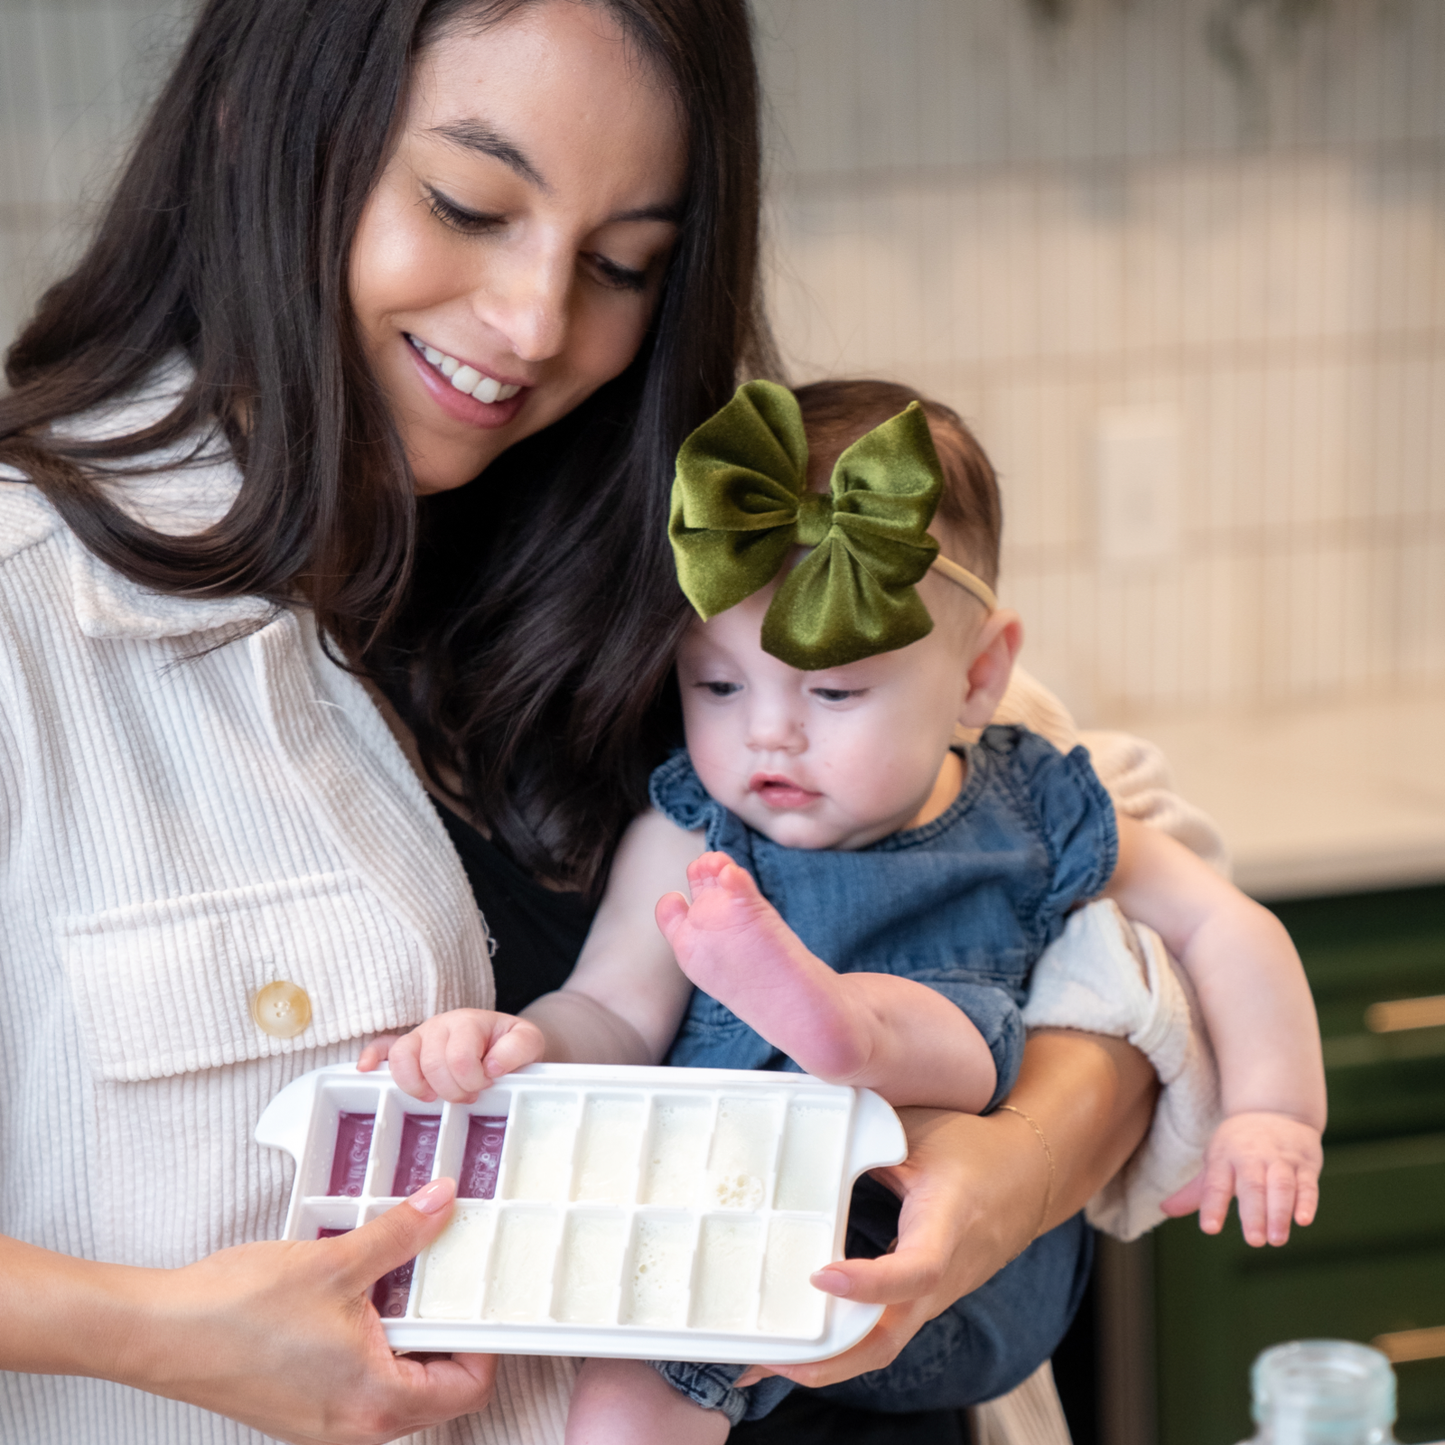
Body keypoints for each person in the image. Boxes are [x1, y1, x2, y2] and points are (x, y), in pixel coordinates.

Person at [0, 2, 1171, 1442]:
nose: (537, 325)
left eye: (625, 263)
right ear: (265, 128)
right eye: (469, 203)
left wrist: (1024, 1167)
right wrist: (151, 1329)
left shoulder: (703, 527)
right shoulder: (28, 618)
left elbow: (1112, 899)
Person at [374, 378, 1327, 1444]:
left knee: (951, 1032)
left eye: (830, 693)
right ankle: (828, 1029)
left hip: (952, 1244)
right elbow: (610, 1010)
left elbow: (1224, 923)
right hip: (746, 1237)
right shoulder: (690, 832)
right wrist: (519, 1041)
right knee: (618, 1407)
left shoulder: (1033, 807)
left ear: (978, 674)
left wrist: (1271, 1109)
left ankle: (842, 1027)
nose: (768, 734)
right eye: (718, 687)